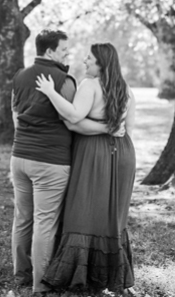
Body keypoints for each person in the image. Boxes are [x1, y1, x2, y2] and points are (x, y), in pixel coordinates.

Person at [36, 42, 137, 293]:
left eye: (89, 59)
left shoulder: (89, 85)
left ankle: (80, 274)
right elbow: (129, 130)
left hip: (93, 153)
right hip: (124, 153)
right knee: (112, 216)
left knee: (83, 210)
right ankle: (109, 277)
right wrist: (111, 132)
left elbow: (72, 118)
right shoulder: (126, 89)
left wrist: (50, 92)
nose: (85, 62)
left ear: (101, 63)